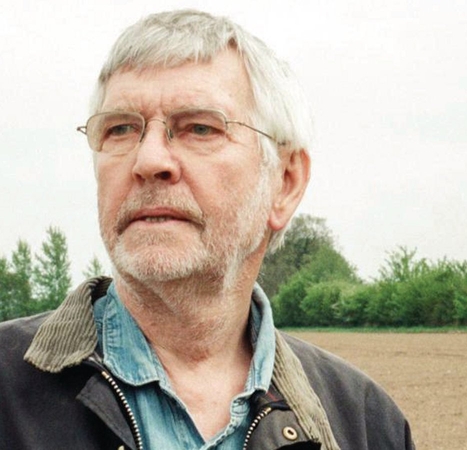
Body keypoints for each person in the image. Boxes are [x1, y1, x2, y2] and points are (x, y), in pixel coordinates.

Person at [0, 10, 414, 450]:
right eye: (120, 129)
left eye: (199, 128)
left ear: (285, 183)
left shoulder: (367, 424)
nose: (149, 161)